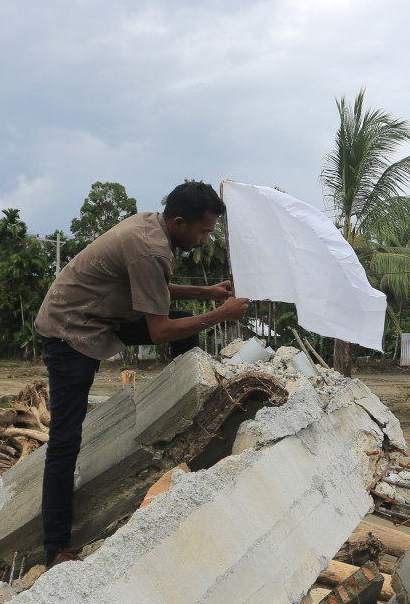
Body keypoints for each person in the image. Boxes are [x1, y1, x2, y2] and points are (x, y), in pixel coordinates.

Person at [34, 181, 249, 566]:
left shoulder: (153, 227)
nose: (204, 240)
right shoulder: (150, 247)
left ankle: (191, 404)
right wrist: (220, 314)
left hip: (103, 316)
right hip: (71, 329)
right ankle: (56, 548)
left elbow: (153, 288)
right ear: (179, 223)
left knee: (185, 321)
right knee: (65, 440)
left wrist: (207, 293)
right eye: (203, 232)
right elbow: (160, 331)